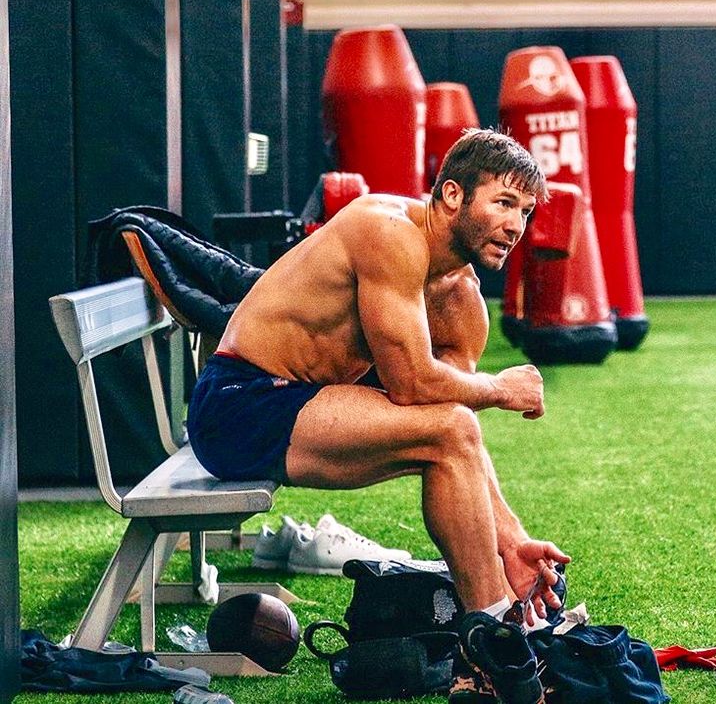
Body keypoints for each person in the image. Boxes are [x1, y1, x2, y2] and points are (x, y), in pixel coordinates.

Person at [187, 129, 570, 702]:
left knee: (451, 430)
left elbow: (451, 422)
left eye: (525, 211)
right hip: (239, 404)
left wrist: (509, 537)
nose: (516, 225)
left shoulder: (463, 301)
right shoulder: (388, 232)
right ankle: (496, 641)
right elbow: (414, 384)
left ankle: (488, 643)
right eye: (503, 203)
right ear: (451, 196)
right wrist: (498, 386)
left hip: (300, 400)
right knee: (448, 424)